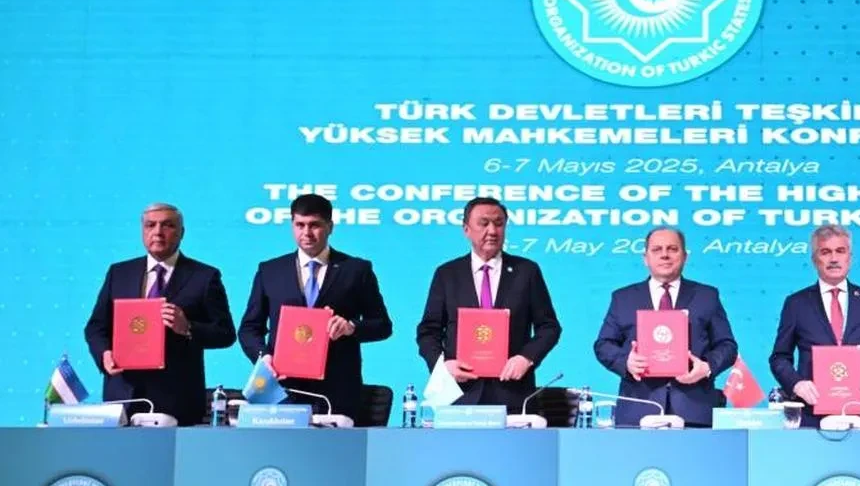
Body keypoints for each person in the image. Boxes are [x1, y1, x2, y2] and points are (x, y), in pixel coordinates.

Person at [238, 194, 392, 420]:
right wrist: (264, 357)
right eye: (300, 225)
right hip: (282, 389)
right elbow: (249, 329)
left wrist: (351, 327)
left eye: (315, 225)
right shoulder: (270, 271)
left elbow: (382, 325)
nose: (306, 233)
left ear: (330, 227)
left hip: (337, 390)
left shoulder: (356, 270)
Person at [84, 203, 236, 425]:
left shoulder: (204, 276)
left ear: (181, 232)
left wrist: (188, 328)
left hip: (177, 398)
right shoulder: (119, 273)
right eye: (150, 225)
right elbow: (96, 327)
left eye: (167, 225)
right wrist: (104, 354)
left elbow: (225, 334)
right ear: (142, 231)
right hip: (122, 394)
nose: (158, 232)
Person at [415, 197, 562, 412]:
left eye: (499, 223)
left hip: (513, 394)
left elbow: (549, 327)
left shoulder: (526, 271)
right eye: (484, 223)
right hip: (460, 393)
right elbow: (428, 331)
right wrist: (443, 367)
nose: (492, 231)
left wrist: (526, 358)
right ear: (466, 229)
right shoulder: (447, 274)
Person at [593, 228, 738, 427]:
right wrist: (626, 361)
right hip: (638, 407)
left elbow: (727, 346)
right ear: (645, 258)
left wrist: (706, 367)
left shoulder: (707, 296)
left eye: (672, 249)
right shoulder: (623, 298)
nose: (665, 255)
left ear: (685, 256)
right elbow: (603, 345)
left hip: (694, 409)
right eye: (657, 249)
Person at [769, 225, 860, 427]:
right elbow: (779, 357)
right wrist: (796, 384)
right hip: (811, 414)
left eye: (840, 251)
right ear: (814, 259)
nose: (834, 258)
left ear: (850, 258)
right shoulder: (796, 303)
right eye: (825, 252)